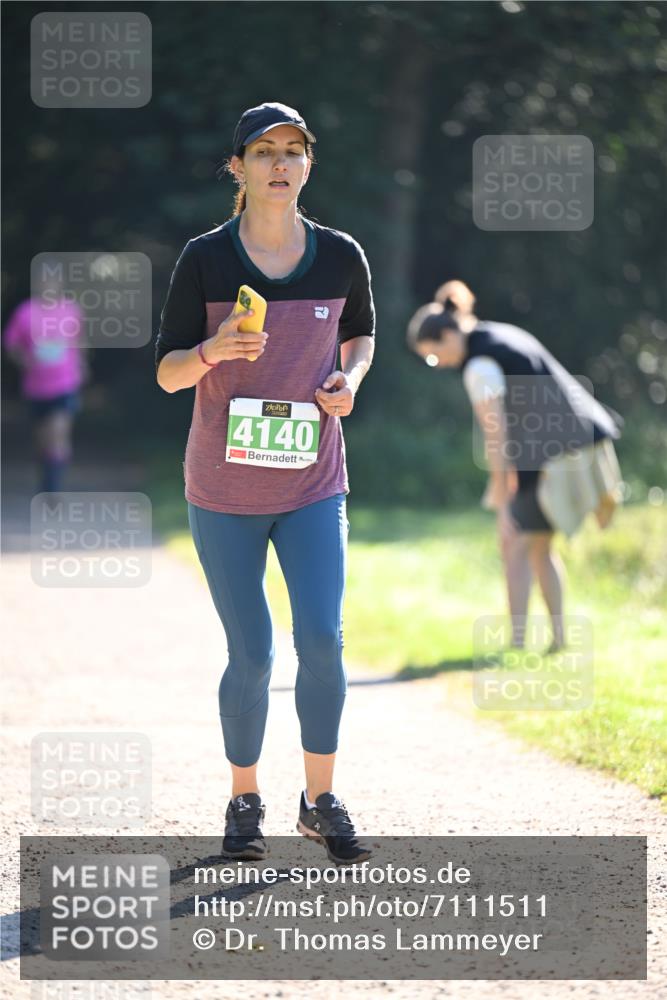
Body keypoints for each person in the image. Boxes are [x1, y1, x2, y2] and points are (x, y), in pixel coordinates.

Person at [155, 102, 375, 865]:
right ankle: (244, 799)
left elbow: (360, 333)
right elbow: (167, 373)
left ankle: (320, 801)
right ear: (238, 167)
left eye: (293, 150)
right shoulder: (206, 259)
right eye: (263, 151)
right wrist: (211, 351)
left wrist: (349, 378)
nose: (280, 163)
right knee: (251, 653)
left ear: (308, 164)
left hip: (313, 482)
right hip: (224, 492)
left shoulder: (340, 255)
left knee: (321, 639)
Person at [407, 280, 622, 653]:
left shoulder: (479, 365)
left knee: (516, 544)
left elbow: (496, 435)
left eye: (433, 355)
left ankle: (518, 643)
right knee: (538, 546)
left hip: (553, 456)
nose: (438, 365)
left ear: (447, 335)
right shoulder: (499, 334)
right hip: (571, 443)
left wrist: (503, 496)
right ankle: (556, 640)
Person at [4, 275, 85, 495]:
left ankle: (52, 489)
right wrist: (24, 360)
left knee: (58, 435)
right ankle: (47, 478)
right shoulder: (24, 312)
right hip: (36, 387)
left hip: (65, 384)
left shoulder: (71, 310)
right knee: (42, 443)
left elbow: (79, 341)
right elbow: (11, 344)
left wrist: (81, 365)